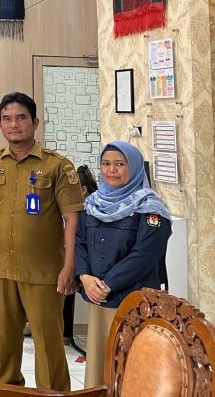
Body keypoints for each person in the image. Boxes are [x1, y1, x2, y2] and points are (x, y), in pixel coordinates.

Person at [0, 92, 84, 391]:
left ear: (35, 122)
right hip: (0, 268)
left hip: (43, 271)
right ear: (0, 124)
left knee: (48, 343)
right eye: (7, 119)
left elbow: (72, 219)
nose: (14, 124)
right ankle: (5, 392)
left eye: (21, 118)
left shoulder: (58, 166)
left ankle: (53, 394)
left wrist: (70, 266)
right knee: (4, 344)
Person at [75, 141, 171, 387]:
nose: (112, 170)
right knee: (101, 366)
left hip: (134, 301)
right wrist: (84, 277)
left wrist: (107, 284)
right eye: (106, 164)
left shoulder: (150, 208)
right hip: (99, 300)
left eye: (120, 164)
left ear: (135, 167)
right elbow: (79, 242)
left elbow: (145, 255)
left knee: (132, 368)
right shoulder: (93, 204)